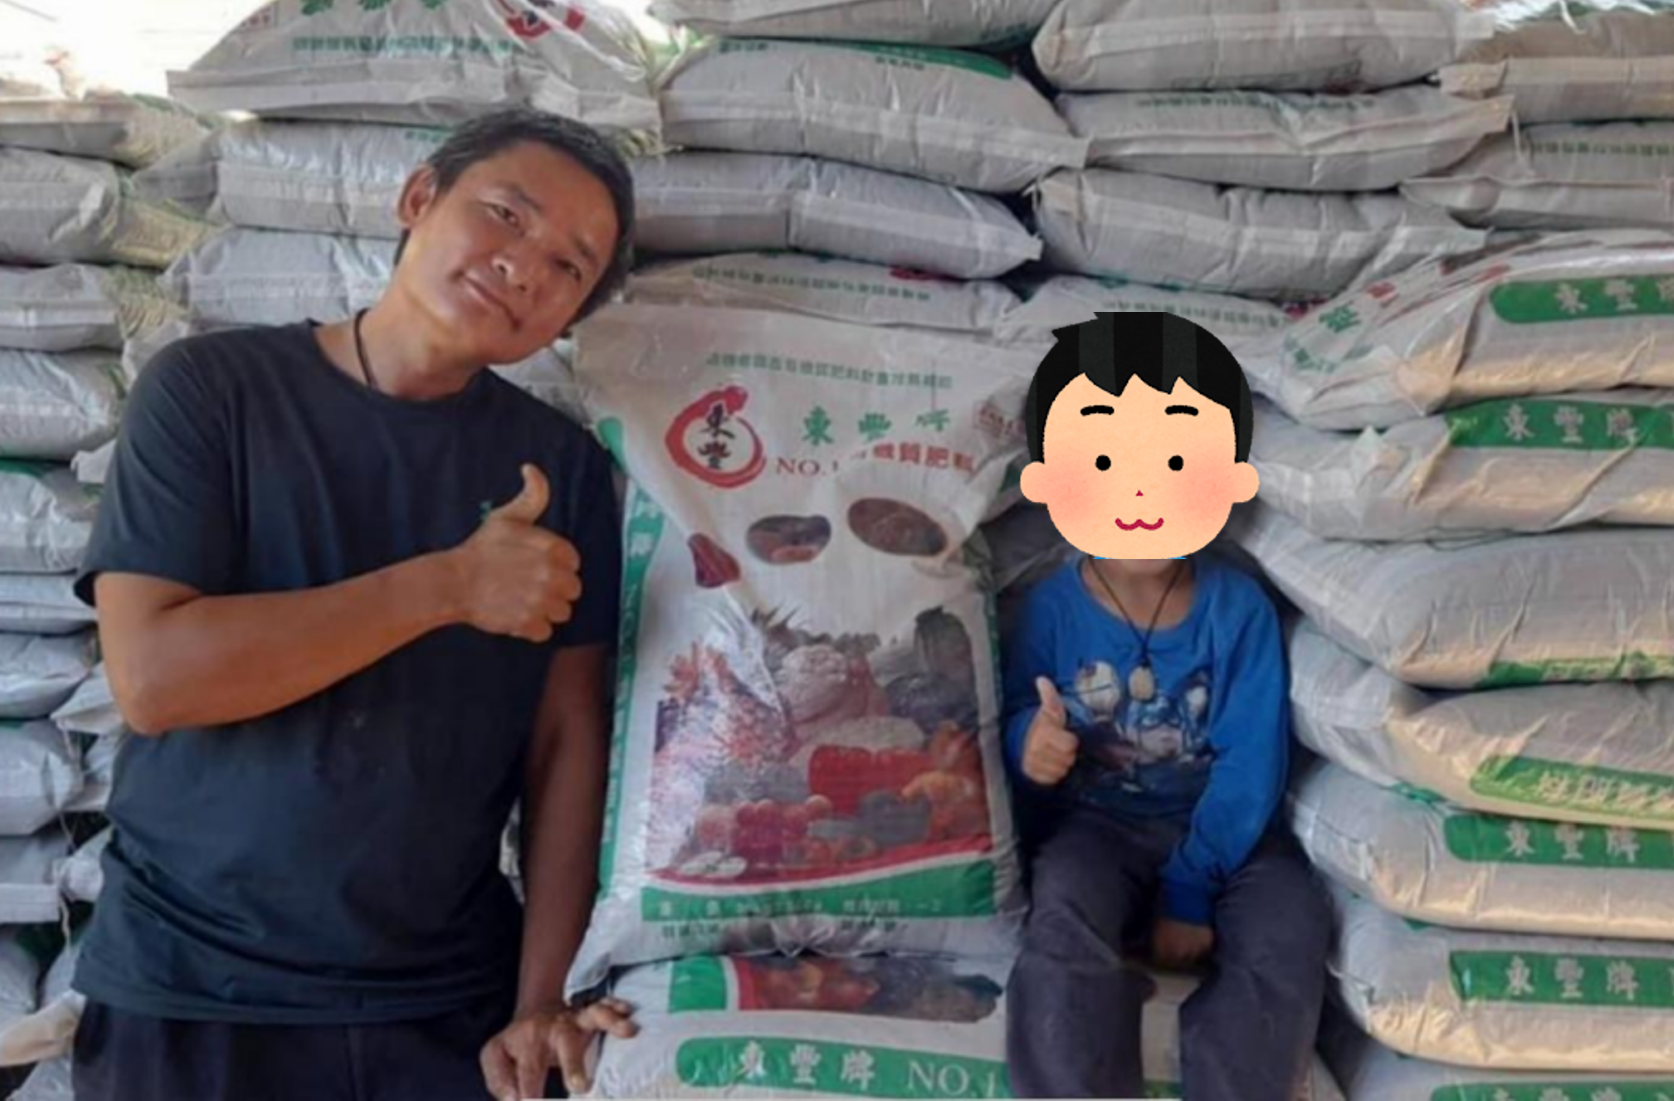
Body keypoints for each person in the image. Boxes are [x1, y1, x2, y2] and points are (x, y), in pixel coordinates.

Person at [71, 107, 638, 1101]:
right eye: (506, 215)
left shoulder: (562, 468)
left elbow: (566, 742)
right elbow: (154, 680)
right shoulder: (213, 392)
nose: (523, 266)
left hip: (447, 1003)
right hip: (193, 991)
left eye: (568, 266)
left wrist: (542, 996)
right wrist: (448, 585)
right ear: (419, 198)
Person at [1001, 313, 1331, 1100]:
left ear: (1229, 478)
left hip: (1224, 835)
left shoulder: (1237, 609)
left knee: (1289, 919)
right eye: (1106, 461)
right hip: (1098, 828)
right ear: (1050, 480)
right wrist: (1029, 744)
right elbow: (1012, 713)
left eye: (1177, 461)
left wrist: (1191, 889)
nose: (1141, 491)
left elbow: (1250, 762)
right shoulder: (1050, 608)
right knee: (1065, 901)